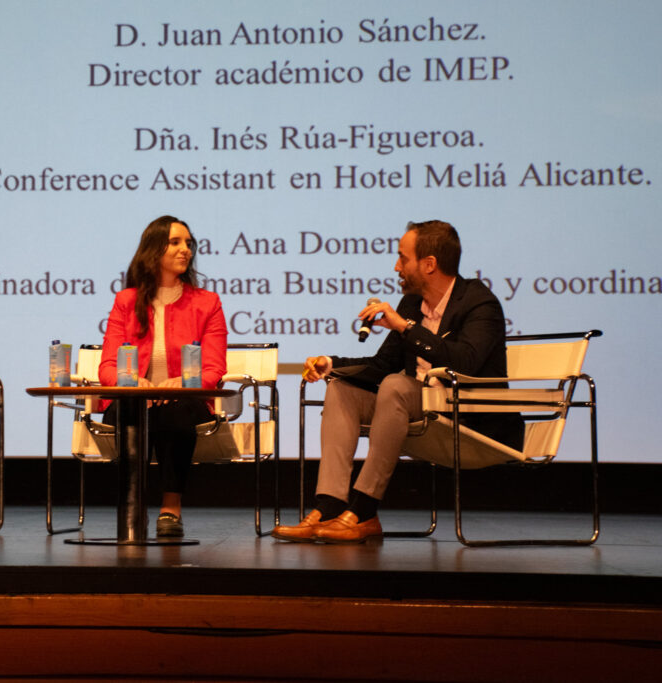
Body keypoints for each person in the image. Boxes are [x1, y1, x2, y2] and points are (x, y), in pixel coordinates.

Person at [274, 220, 524, 544]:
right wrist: (330, 365)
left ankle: (364, 509)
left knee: (396, 385)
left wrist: (406, 328)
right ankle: (331, 505)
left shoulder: (479, 303)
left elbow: (466, 363)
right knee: (341, 388)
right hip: (417, 410)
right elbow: (383, 365)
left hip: (467, 419)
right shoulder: (412, 304)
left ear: (429, 264)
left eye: (403, 258)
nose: (396, 266)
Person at [99, 215, 228, 537]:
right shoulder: (126, 301)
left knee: (175, 409)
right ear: (153, 249)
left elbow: (214, 369)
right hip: (133, 400)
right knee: (133, 409)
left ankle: (171, 508)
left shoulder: (207, 303)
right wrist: (134, 385)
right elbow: (107, 368)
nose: (186, 250)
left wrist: (182, 385)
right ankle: (134, 505)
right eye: (175, 242)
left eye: (188, 243)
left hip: (186, 402)